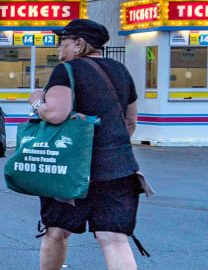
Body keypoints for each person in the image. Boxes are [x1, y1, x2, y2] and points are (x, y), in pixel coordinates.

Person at [28, 19, 150, 270]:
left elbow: (56, 114)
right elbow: (130, 121)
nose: (59, 47)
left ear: (78, 44)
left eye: (62, 41)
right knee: (114, 239)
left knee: (57, 232)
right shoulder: (120, 70)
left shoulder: (67, 70)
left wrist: (37, 102)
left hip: (71, 170)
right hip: (119, 168)